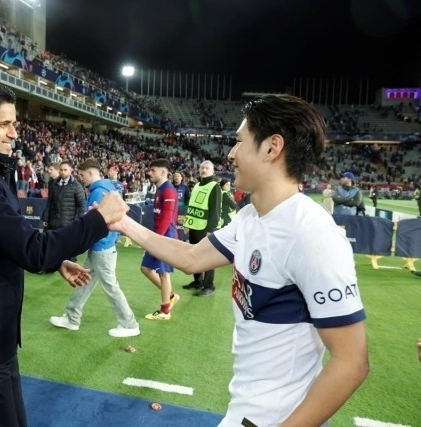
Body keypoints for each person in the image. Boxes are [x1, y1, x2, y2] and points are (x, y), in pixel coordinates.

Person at [109, 94, 368, 426]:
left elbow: (352, 362)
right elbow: (190, 257)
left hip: (275, 418)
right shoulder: (250, 218)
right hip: (245, 410)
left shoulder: (311, 234)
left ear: (272, 148)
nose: (230, 154)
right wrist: (123, 222)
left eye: (238, 143)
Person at [0, 81, 128, 427]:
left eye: (15, 124)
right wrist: (98, 219)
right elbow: (31, 250)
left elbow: (10, 241)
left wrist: (57, 261)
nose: (13, 134)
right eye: (4, 124)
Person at [49, 158, 140, 338]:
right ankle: (72, 317)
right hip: (103, 245)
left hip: (102, 246)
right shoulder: (109, 188)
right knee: (84, 281)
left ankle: (130, 324)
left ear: (90, 173)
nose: (81, 179)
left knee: (111, 286)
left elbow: (100, 222)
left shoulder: (98, 192)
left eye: (82, 175)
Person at [141, 158, 181, 319]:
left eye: (153, 170)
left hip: (166, 237)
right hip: (159, 235)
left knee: (164, 274)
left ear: (163, 172)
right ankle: (171, 296)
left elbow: (166, 217)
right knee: (145, 268)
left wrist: (157, 240)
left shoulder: (169, 190)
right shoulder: (160, 189)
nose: (149, 173)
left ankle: (165, 311)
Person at [182, 160, 221, 297]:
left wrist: (211, 229)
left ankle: (209, 285)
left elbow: (215, 210)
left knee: (207, 257)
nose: (204, 170)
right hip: (193, 226)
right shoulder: (197, 185)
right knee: (194, 254)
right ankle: (197, 281)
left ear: (212, 171)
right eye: (202, 168)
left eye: (207, 168)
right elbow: (191, 206)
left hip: (204, 228)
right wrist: (187, 223)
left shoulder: (214, 186)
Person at [42, 160, 86, 231]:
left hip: (68, 225)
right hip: (52, 224)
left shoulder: (77, 186)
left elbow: (81, 205)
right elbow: (49, 203)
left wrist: (79, 222)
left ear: (71, 170)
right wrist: (45, 218)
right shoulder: (54, 184)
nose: (63, 172)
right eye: (61, 170)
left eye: (65, 170)